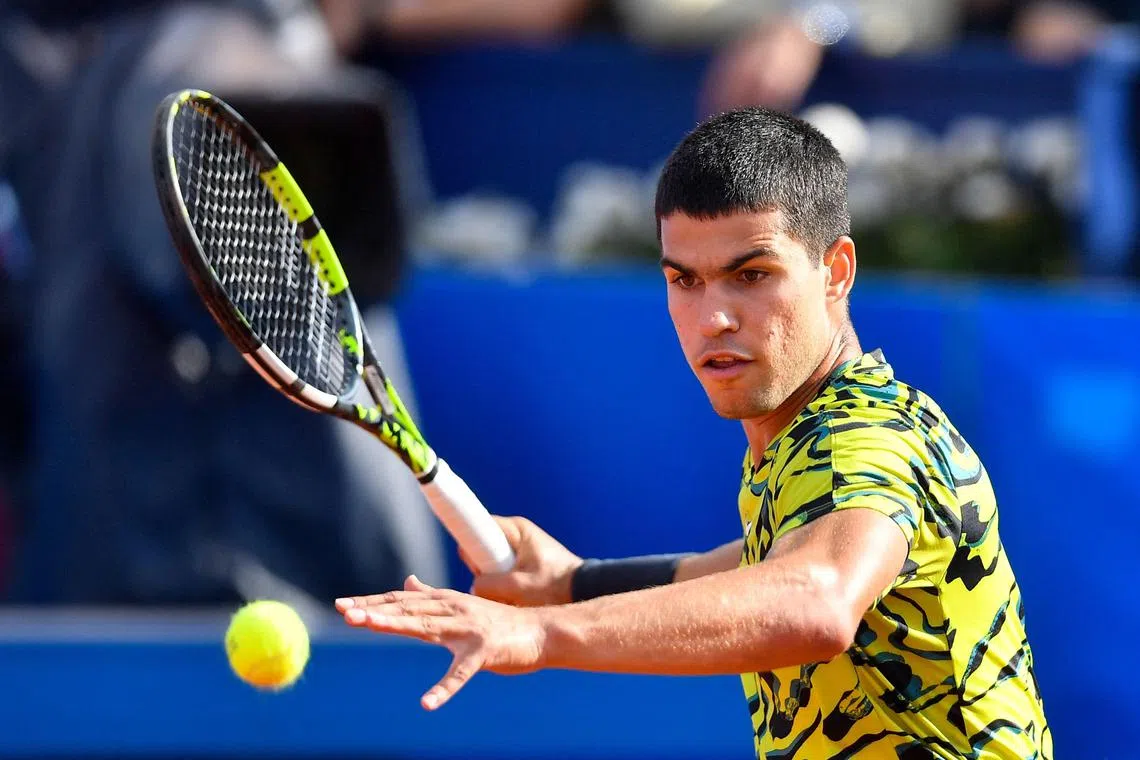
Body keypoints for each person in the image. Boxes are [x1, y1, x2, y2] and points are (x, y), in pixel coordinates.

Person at [335, 108, 1051, 758]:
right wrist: (572, 581)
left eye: (752, 274)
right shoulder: (806, 441)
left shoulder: (865, 437)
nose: (714, 318)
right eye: (685, 280)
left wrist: (539, 633)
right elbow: (764, 564)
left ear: (835, 272)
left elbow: (815, 597)